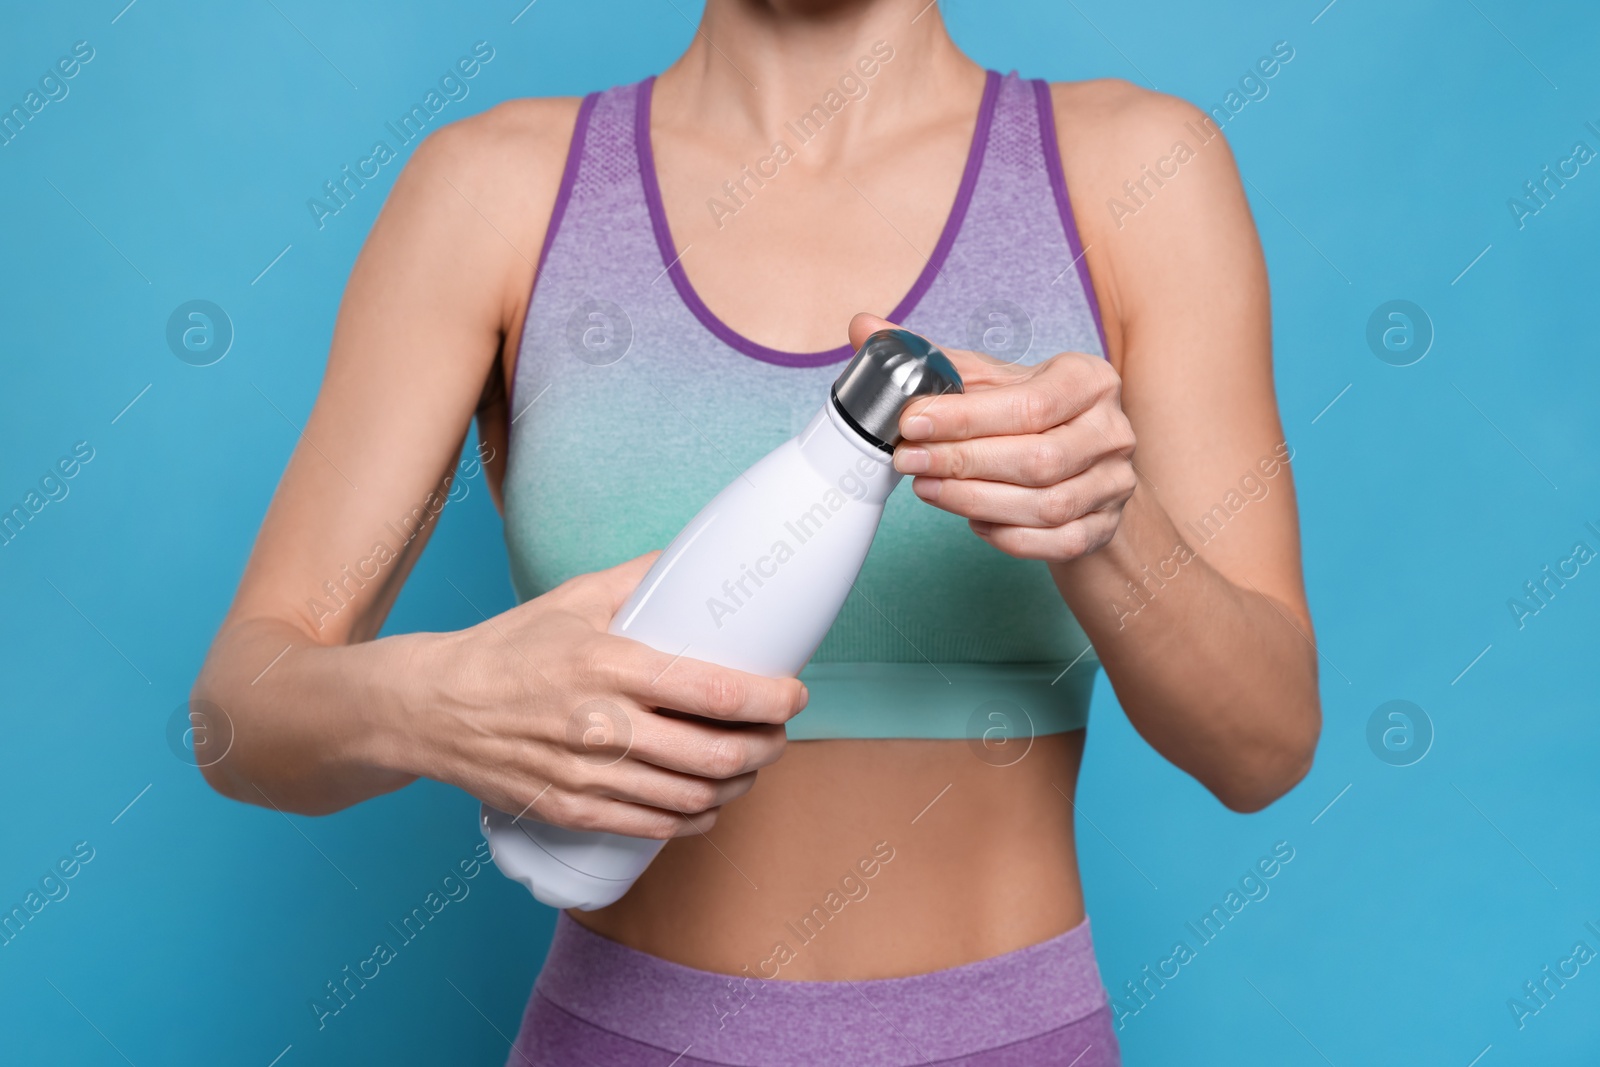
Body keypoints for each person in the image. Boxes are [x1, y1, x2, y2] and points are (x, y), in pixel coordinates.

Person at [194, 1, 1320, 1062]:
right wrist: (433, 700)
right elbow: (240, 714)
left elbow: (1263, 746)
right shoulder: (494, 188)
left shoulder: (1138, 173)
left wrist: (1102, 526)